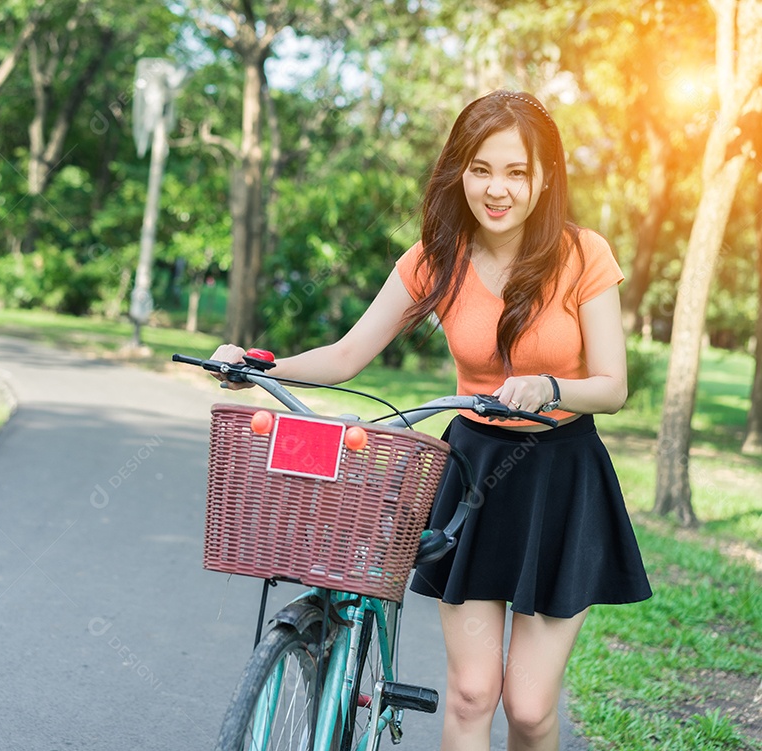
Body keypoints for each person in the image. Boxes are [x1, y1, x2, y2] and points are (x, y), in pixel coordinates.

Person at [208, 89, 652, 751]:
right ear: (458, 171)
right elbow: (348, 353)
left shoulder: (582, 254)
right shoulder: (436, 257)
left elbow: (613, 387)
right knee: (472, 693)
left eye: (516, 172)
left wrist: (553, 385)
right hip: (473, 473)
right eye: (480, 169)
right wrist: (259, 362)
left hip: (562, 478)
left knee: (529, 708)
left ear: (546, 177)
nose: (496, 189)